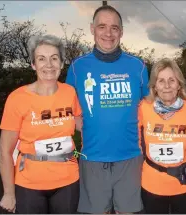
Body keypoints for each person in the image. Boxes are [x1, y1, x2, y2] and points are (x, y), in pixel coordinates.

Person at [65, 5, 149, 214]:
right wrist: (78, 124)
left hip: (130, 156)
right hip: (92, 156)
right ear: (92, 29)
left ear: (121, 31)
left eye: (114, 27)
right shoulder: (77, 67)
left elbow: (149, 107)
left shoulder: (138, 67)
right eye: (102, 26)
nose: (108, 33)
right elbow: (66, 106)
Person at [0, 34, 81, 214]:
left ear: (61, 63)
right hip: (29, 184)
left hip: (68, 180)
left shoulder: (70, 92)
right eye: (41, 59)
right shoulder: (17, 98)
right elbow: (5, 150)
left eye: (54, 58)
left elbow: (82, 122)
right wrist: (9, 193)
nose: (49, 65)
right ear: (33, 64)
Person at [138, 58, 186, 214]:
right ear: (154, 86)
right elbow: (134, 139)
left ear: (179, 84)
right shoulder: (144, 107)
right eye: (161, 81)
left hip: (183, 182)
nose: (167, 86)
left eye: (172, 80)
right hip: (152, 183)